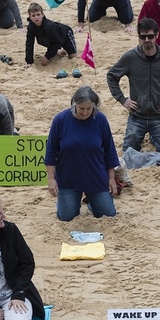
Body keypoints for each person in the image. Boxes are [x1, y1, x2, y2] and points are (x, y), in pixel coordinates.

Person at [106, 18, 160, 154]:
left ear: (157, 35)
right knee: (128, 153)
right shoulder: (130, 57)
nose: (147, 40)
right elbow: (111, 76)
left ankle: (155, 137)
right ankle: (153, 137)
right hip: (137, 116)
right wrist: (122, 99)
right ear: (138, 36)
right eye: (143, 37)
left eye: (150, 36)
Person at [45, 86, 119, 221]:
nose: (85, 113)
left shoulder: (101, 119)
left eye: (89, 109)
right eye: (81, 108)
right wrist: (51, 179)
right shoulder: (60, 120)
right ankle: (65, 201)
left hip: (96, 177)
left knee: (108, 215)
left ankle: (92, 202)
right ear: (74, 103)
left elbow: (110, 151)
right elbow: (50, 152)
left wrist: (111, 179)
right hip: (68, 178)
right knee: (66, 217)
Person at [24, 3, 78, 67]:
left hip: (65, 34)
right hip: (52, 38)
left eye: (38, 14)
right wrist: (29, 61)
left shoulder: (49, 26)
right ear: (30, 17)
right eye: (33, 15)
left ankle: (63, 49)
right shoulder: (31, 27)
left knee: (73, 56)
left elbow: (58, 41)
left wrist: (47, 56)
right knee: (54, 48)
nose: (36, 17)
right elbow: (29, 43)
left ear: (42, 14)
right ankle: (61, 51)